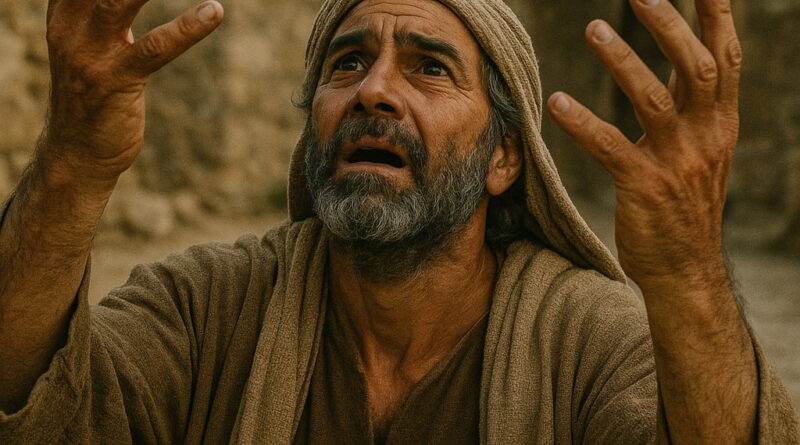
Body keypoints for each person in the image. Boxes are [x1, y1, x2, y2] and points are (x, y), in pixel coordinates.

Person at [0, 0, 798, 443]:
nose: (374, 90)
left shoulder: (583, 337)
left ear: (504, 159)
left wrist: (688, 267)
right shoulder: (212, 305)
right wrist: (73, 161)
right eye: (346, 62)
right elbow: (37, 410)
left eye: (429, 66)